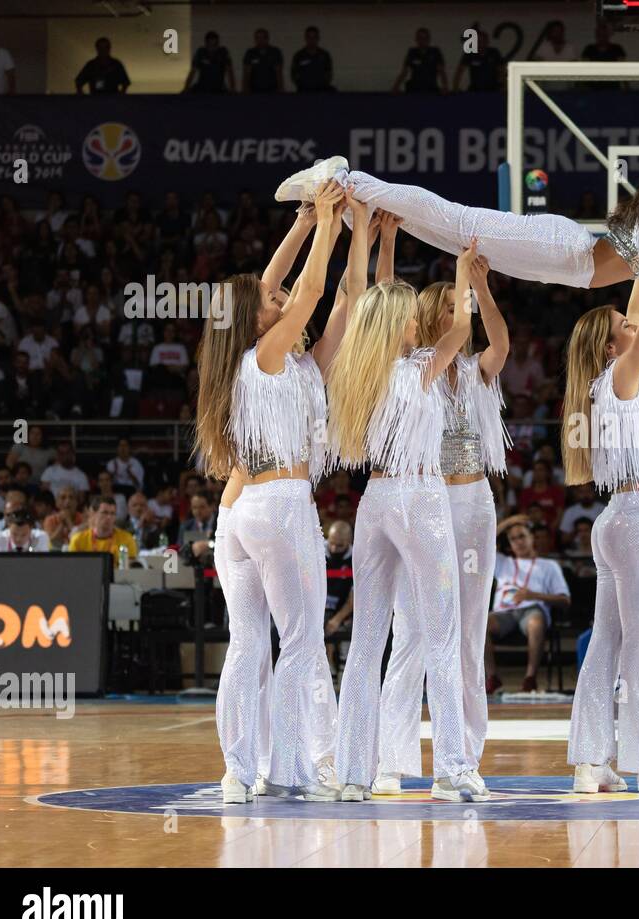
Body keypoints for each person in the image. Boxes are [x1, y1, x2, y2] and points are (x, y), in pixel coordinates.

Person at [193, 180, 351, 805]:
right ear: (256, 318)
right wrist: (333, 225)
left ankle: (237, 770)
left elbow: (277, 284)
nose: (276, 292)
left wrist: (305, 223)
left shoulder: (237, 357)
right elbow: (309, 290)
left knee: (249, 641)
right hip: (279, 509)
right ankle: (288, 766)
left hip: (236, 516)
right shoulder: (265, 353)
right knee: (301, 639)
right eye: (267, 298)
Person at [274, 110, 639, 305]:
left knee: (457, 238)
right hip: (565, 249)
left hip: (567, 268)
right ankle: (342, 177)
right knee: (457, 219)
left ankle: (363, 204)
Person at [327, 240, 487, 803]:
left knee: (367, 641)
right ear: (401, 325)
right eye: (411, 317)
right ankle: (452, 768)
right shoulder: (421, 366)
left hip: (374, 500)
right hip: (421, 497)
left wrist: (383, 238)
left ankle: (352, 773)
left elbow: (375, 297)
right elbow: (463, 329)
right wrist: (465, 272)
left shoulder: (357, 369)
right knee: (440, 634)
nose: (419, 321)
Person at [373, 248, 511, 795]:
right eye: (458, 307)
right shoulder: (411, 373)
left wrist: (482, 283)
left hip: (473, 501)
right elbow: (379, 303)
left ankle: (464, 755)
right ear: (436, 317)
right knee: (410, 631)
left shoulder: (475, 371)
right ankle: (392, 759)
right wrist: (391, 251)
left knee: (468, 633)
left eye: (468, 306)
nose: (467, 314)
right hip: (425, 504)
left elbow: (500, 344)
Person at [563, 279, 639, 792]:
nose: (634, 324)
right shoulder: (623, 374)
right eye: (622, 326)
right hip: (638, 518)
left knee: (606, 642)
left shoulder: (608, 381)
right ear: (611, 346)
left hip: (616, 519)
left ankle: (590, 762)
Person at [487, 513, 571, 693]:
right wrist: (509, 521)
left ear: (532, 537)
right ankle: (492, 677)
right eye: (513, 538)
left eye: (522, 536)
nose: (518, 541)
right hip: (503, 614)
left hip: (532, 610)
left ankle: (530, 677)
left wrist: (533, 595)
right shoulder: (503, 562)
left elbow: (565, 600)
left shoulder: (548, 565)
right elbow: (484, 542)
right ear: (509, 544)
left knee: (535, 622)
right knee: (478, 623)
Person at [67, 496, 138, 565]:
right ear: (93, 514)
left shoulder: (126, 539)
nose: (109, 517)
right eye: (105, 513)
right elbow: (72, 568)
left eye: (112, 513)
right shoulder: (78, 540)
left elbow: (131, 570)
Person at [394, 28, 446, 94]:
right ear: (416, 39)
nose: (422, 40)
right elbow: (404, 72)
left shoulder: (435, 52)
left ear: (429, 39)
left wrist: (445, 86)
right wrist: (395, 87)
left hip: (431, 88)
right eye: (420, 38)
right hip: (414, 88)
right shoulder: (412, 52)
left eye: (425, 38)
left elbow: (441, 71)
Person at [291, 25, 332, 92]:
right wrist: (302, 85)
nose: (312, 40)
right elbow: (294, 74)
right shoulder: (299, 55)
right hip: (303, 92)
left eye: (314, 37)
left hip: (321, 91)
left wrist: (323, 85)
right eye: (309, 37)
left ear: (318, 38)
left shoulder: (324, 55)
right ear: (306, 38)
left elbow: (328, 73)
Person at [242, 28, 283, 93]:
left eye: (262, 38)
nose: (260, 40)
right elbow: (246, 73)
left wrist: (281, 89)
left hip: (272, 90)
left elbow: (278, 73)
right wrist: (245, 89)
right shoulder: (250, 53)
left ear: (267, 39)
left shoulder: (275, 52)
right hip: (254, 90)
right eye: (257, 38)